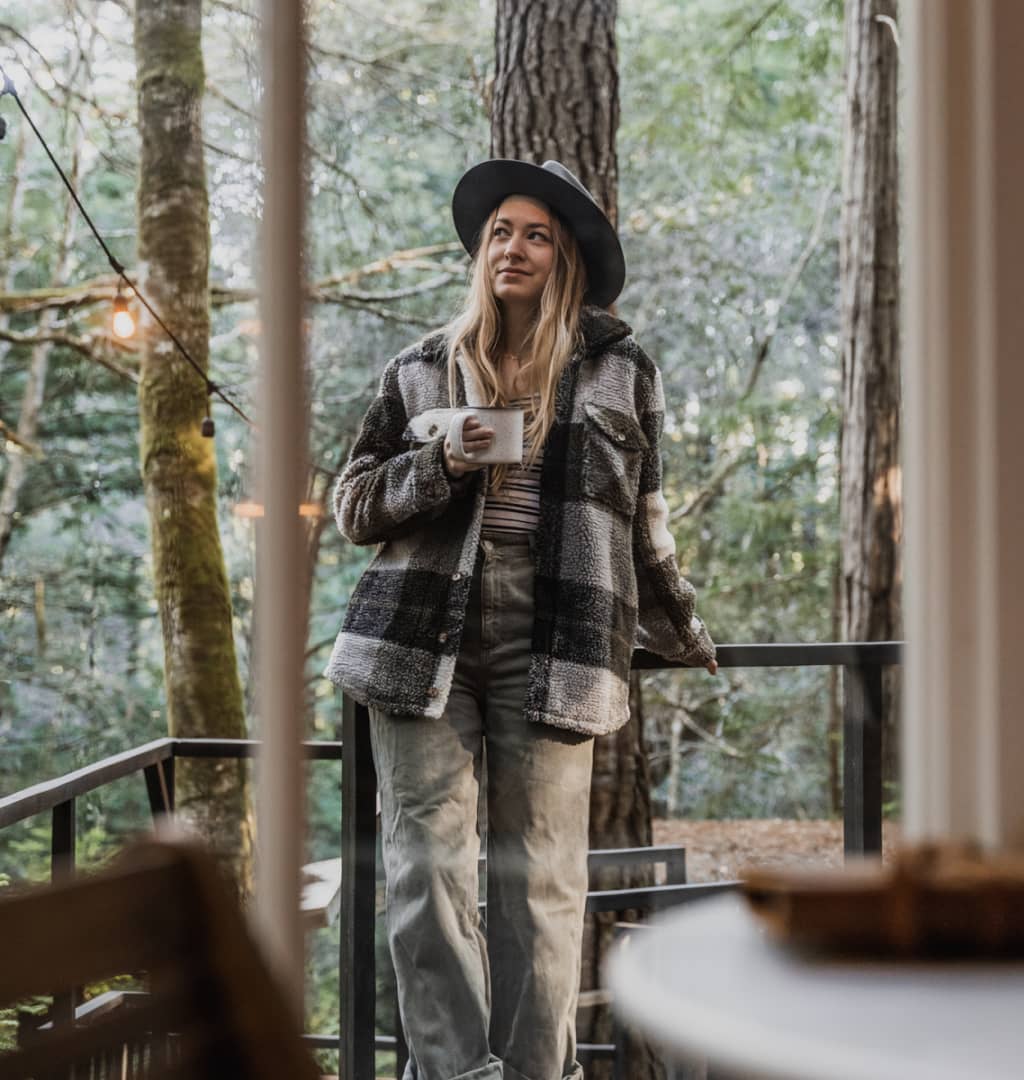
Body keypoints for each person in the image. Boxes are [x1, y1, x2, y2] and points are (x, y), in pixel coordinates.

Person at [325, 159, 717, 1080]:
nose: (515, 246)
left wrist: (680, 630)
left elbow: (645, 523)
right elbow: (351, 507)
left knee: (541, 883)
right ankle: (456, 1075)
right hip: (421, 634)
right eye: (502, 230)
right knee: (426, 871)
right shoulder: (418, 369)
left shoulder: (623, 368)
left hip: (561, 633)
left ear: (565, 256)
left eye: (537, 234)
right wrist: (441, 465)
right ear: (482, 249)